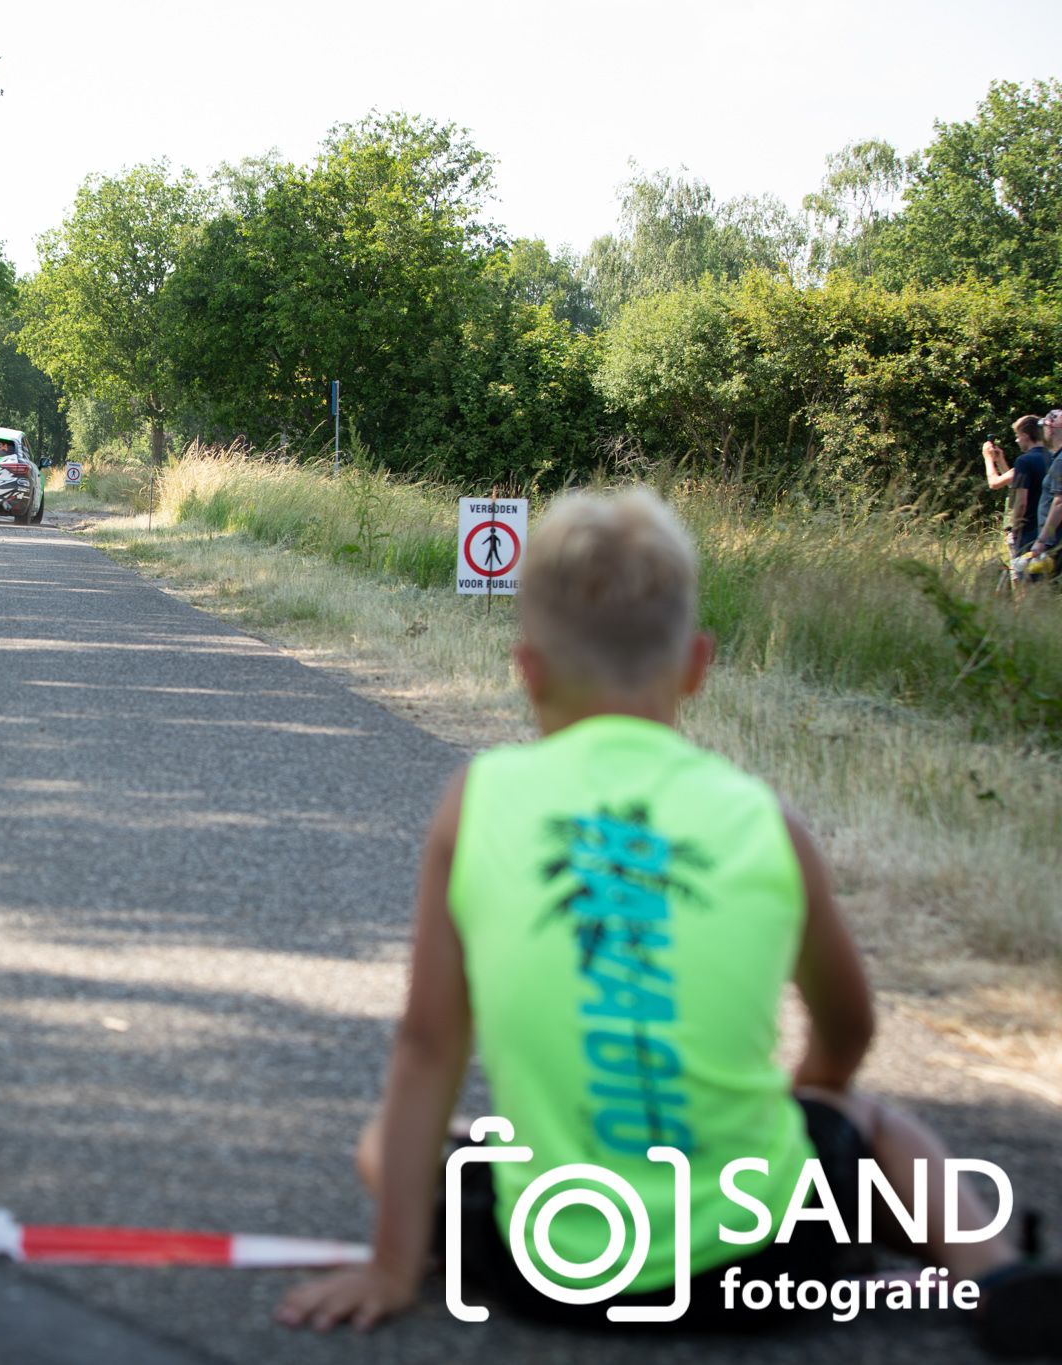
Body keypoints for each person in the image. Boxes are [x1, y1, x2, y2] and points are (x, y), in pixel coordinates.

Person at [273, 488, 1056, 1355]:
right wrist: (808, 1099)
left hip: (556, 1275)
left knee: (391, 1144)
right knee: (870, 1120)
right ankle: (988, 1271)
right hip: (774, 1260)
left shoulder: (480, 798)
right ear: (697, 663)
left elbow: (428, 1045)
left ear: (526, 668)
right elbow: (849, 1028)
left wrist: (389, 1269)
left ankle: (431, 1241)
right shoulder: (766, 820)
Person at [981, 418, 1048, 556]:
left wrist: (987, 458)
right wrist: (1000, 460)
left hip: (1027, 531)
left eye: (1017, 436)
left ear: (1025, 435)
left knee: (1022, 574)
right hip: (1048, 530)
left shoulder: (1025, 461)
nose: (1017, 440)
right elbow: (1017, 484)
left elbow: (994, 483)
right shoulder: (1053, 457)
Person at [1020, 410, 1062, 578]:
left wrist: (1042, 541)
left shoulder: (1060, 461)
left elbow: (1059, 503)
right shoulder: (1056, 458)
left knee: (1040, 595)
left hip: (1055, 545)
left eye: (1044, 427)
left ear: (1050, 428)